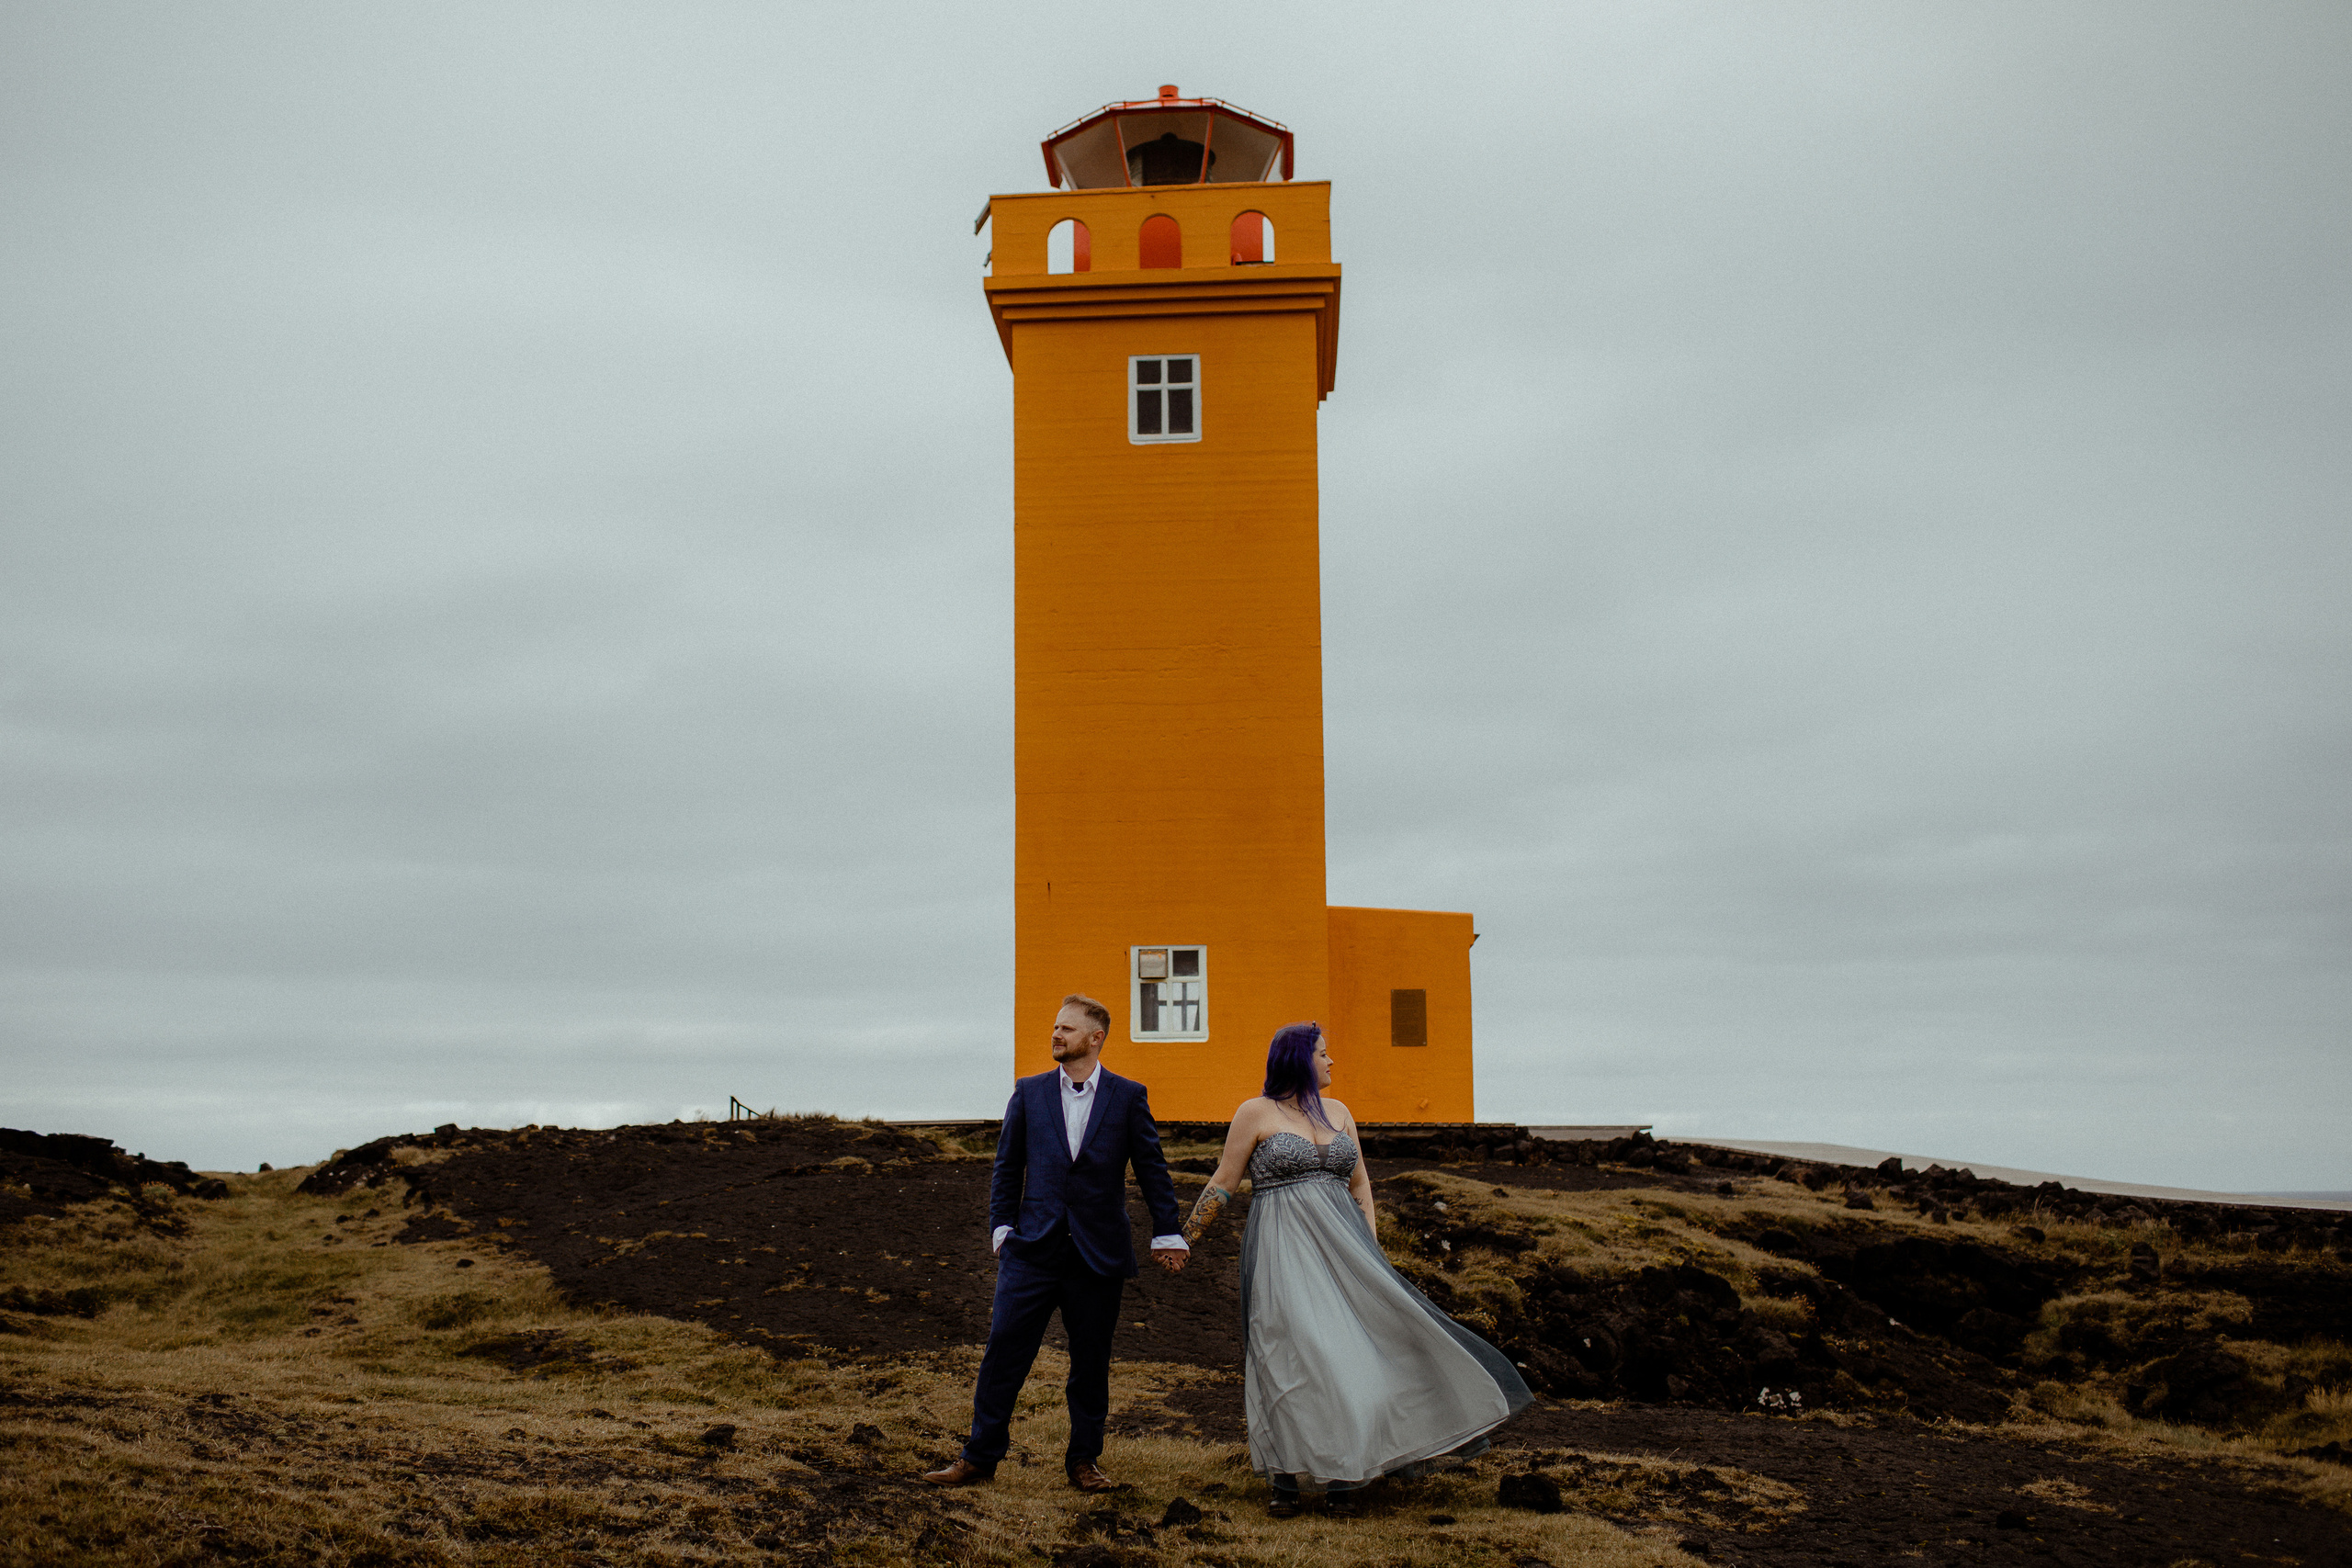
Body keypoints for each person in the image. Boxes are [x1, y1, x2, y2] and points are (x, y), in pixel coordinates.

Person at [1180, 1021, 1531, 1517]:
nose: (1331, 1062)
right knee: (1291, 1355)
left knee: (1352, 1355)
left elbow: (1361, 1183)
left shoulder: (1340, 1112)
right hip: (1284, 1250)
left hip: (1347, 1252)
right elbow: (1224, 1181)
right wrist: (1185, 1238)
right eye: (1323, 1054)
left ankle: (1345, 1473)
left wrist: (1369, 1245)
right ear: (1298, 1059)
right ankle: (1284, 1476)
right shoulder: (1254, 1113)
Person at [922, 993, 1189, 1494]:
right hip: (1032, 1250)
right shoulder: (1030, 1091)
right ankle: (979, 1457)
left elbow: (1152, 1170)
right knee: (1004, 1353)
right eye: (1055, 1026)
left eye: (1067, 1028)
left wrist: (1167, 1230)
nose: (1056, 1035)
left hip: (1098, 1255)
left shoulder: (1128, 1096)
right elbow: (1007, 1166)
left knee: (1090, 1365)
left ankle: (1084, 1462)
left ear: (1095, 1037)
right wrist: (1002, 1229)